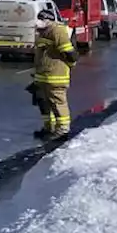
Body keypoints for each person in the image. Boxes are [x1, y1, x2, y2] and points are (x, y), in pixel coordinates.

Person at [28, 8, 78, 141]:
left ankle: (63, 130)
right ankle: (49, 127)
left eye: (41, 19)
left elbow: (69, 53)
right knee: (44, 102)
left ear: (48, 20)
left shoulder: (57, 30)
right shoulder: (41, 33)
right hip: (42, 76)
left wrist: (71, 64)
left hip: (55, 76)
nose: (37, 22)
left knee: (57, 102)